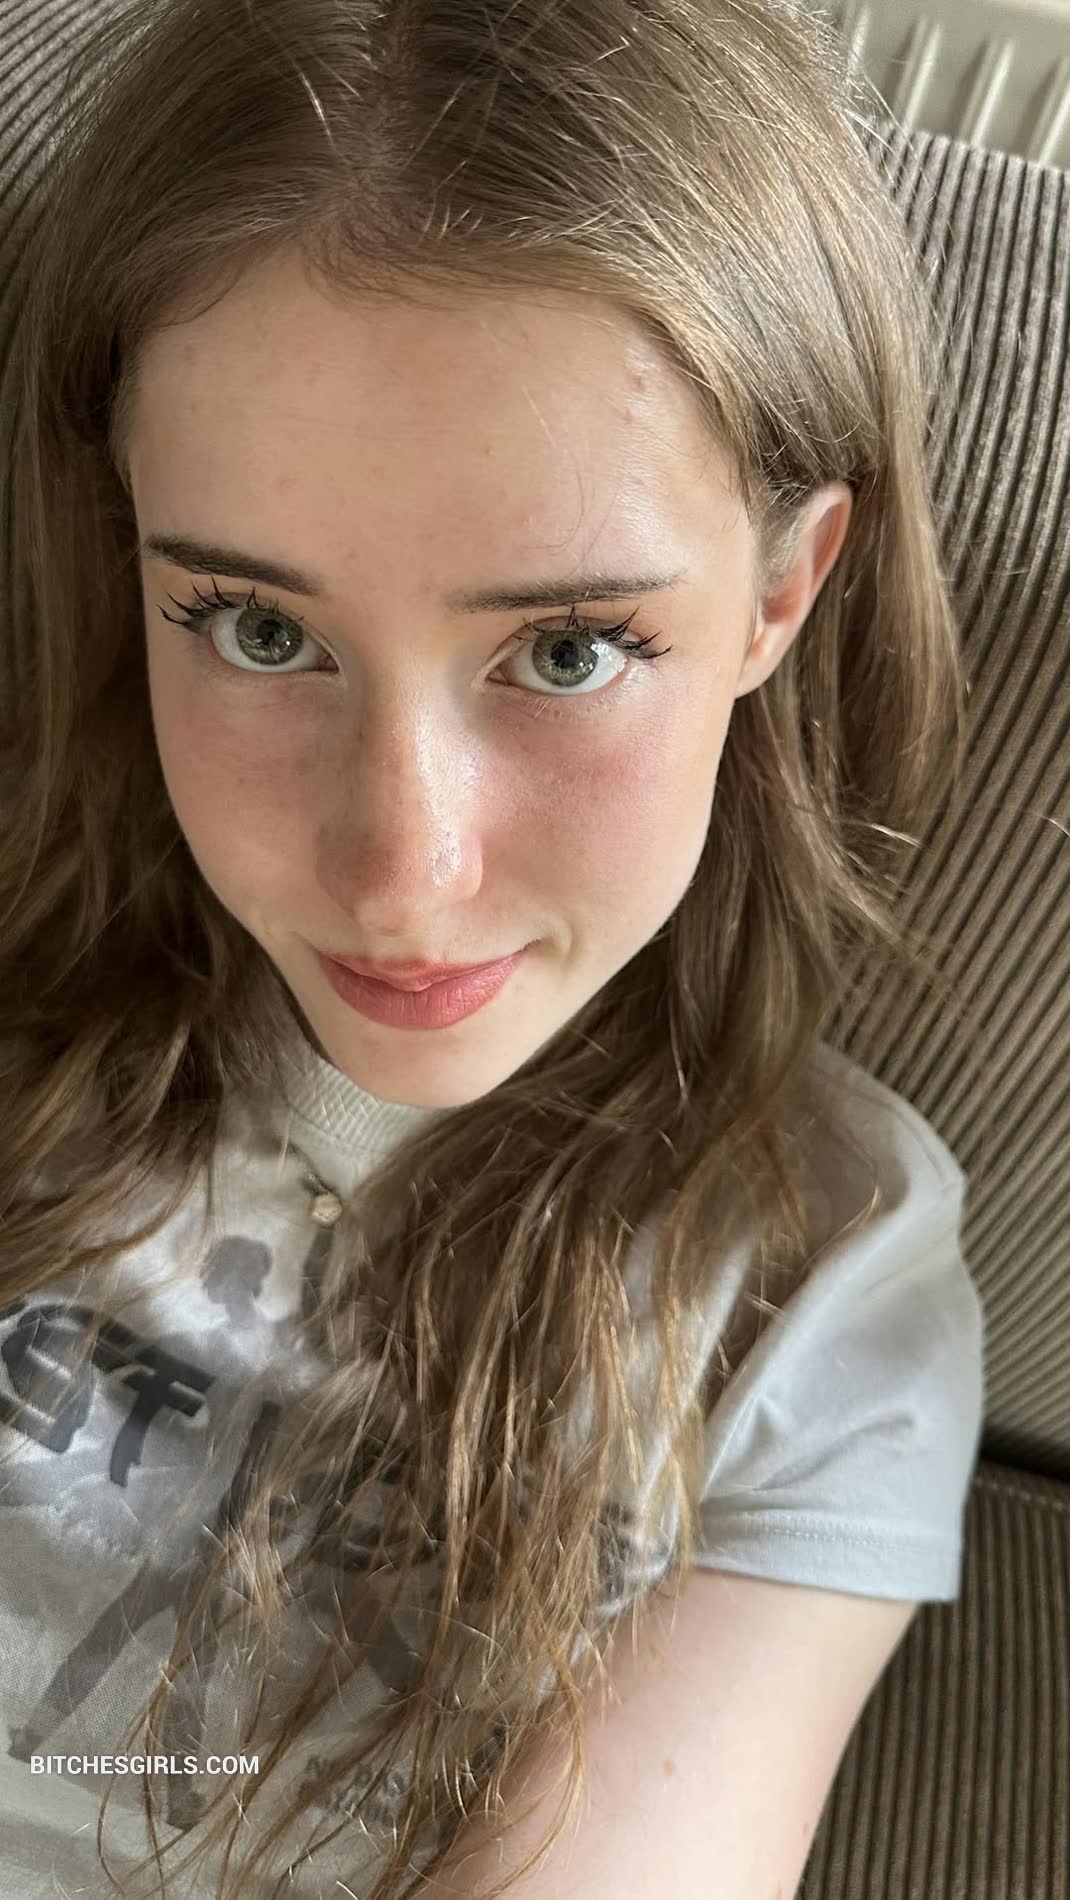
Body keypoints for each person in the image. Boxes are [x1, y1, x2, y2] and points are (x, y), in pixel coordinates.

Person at [0, 0, 988, 1895]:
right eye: (258, 629)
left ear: (781, 590)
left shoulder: (821, 1279)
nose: (400, 875)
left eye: (568, 649)